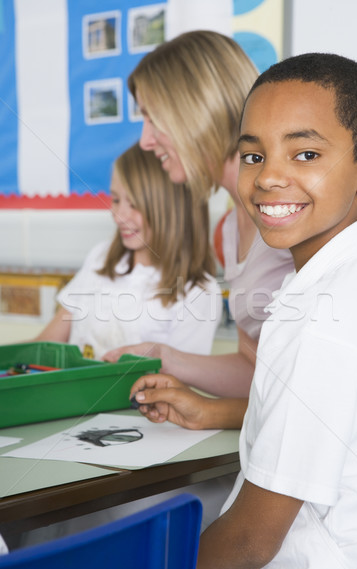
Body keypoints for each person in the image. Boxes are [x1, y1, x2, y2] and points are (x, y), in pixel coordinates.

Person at [130, 53, 357, 569]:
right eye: (254, 154)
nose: (270, 175)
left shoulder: (325, 317)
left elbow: (251, 543)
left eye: (305, 153)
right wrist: (215, 410)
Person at [103, 30, 294, 398]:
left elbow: (311, 389)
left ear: (195, 108)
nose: (144, 140)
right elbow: (253, 369)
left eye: (152, 117)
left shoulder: (286, 207)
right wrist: (164, 357)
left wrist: (207, 412)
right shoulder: (229, 230)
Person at [33, 143, 221, 359]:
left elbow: (176, 385)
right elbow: (45, 345)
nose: (119, 215)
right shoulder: (101, 257)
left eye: (134, 204)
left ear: (172, 208)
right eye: (115, 199)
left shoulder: (199, 292)